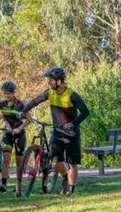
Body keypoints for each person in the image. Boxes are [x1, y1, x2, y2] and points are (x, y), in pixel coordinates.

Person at [20, 67, 89, 195]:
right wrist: (23, 111)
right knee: (55, 160)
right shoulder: (50, 93)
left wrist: (73, 124)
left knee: (72, 163)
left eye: (51, 80)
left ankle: (71, 191)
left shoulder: (72, 95)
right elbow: (35, 101)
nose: (49, 82)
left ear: (59, 81)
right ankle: (65, 177)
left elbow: (85, 112)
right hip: (57, 132)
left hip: (71, 134)